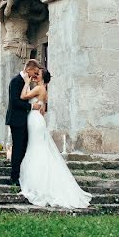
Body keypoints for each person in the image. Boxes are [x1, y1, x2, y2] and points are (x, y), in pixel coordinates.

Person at [18, 68, 92, 209]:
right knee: (37, 147)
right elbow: (43, 110)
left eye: (37, 74)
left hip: (35, 120)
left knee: (37, 148)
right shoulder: (43, 89)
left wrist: (27, 82)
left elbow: (23, 96)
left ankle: (39, 182)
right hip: (37, 119)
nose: (34, 75)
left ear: (42, 77)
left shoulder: (39, 88)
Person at [5, 59, 41, 185]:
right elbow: (15, 102)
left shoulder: (26, 81)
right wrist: (32, 107)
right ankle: (14, 178)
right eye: (34, 72)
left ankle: (20, 176)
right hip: (16, 120)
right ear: (28, 70)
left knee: (23, 148)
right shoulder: (16, 81)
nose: (35, 75)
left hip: (23, 120)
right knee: (18, 149)